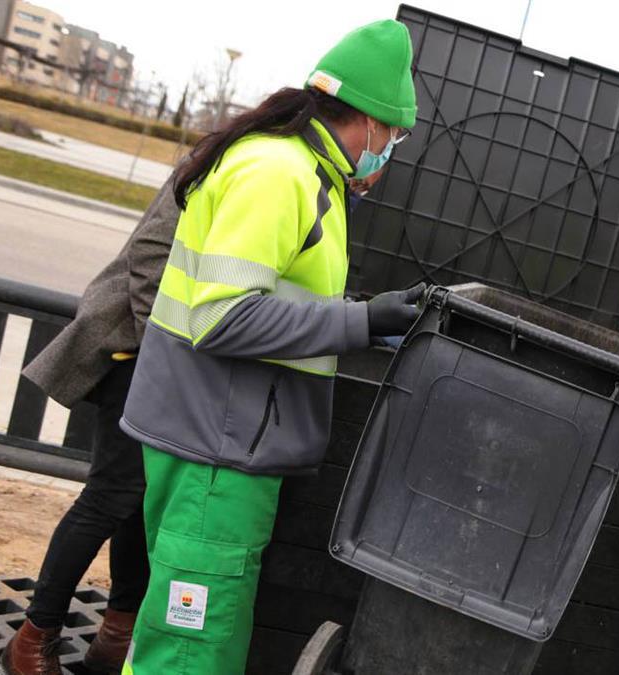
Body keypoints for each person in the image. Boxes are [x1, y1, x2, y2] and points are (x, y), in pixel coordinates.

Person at [115, 19, 422, 674]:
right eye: (393, 135)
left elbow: (276, 297)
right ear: (368, 120)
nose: (389, 150)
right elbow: (224, 318)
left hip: (224, 445)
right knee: (188, 651)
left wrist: (356, 316)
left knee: (201, 639)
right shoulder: (279, 175)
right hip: (216, 455)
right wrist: (359, 323)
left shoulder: (309, 174)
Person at [1, 177, 180, 675]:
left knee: (141, 499)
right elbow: (150, 250)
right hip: (139, 353)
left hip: (168, 362)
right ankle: (34, 637)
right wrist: (159, 346)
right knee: (110, 495)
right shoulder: (225, 158)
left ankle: (115, 638)